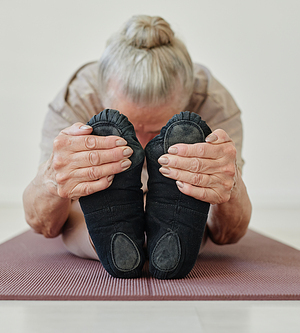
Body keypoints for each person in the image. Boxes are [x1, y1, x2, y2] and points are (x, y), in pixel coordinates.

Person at [23, 15, 252, 279]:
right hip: (99, 199)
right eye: (130, 130)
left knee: (200, 209)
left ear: (188, 100)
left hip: (178, 196)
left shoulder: (214, 104)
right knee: (73, 207)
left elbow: (228, 233)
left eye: (156, 131)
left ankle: (155, 239)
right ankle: (116, 242)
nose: (141, 147)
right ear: (101, 97)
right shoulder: (77, 99)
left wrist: (229, 184)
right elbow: (43, 224)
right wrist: (55, 179)